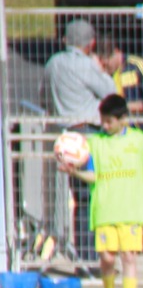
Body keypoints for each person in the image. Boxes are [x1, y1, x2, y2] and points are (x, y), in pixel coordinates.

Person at [59, 94, 143, 288]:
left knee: (129, 257)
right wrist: (73, 172)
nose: (104, 126)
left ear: (122, 119)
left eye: (109, 122)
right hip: (106, 208)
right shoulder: (95, 144)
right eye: (103, 121)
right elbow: (93, 176)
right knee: (106, 258)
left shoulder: (139, 141)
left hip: (131, 209)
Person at [44, 19, 116, 261]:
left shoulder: (53, 63)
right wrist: (100, 69)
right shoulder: (86, 65)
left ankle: (78, 249)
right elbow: (111, 93)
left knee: (73, 194)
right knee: (95, 192)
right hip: (89, 135)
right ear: (91, 43)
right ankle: (96, 254)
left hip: (64, 135)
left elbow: (44, 97)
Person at [100, 42, 143, 255]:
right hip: (121, 139)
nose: (105, 68)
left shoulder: (137, 66)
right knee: (128, 187)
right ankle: (135, 239)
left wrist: (124, 109)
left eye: (107, 64)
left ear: (116, 54)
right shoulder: (103, 75)